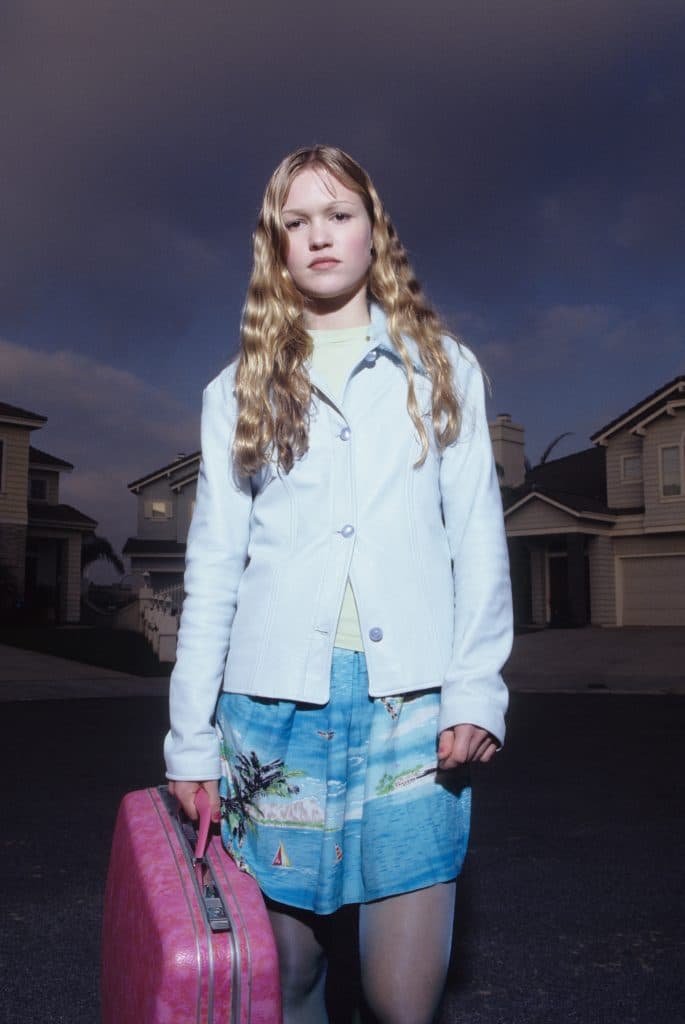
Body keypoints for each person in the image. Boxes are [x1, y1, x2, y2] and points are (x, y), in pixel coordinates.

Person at [165, 144, 512, 1024]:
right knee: (293, 980)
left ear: (373, 232)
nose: (319, 236)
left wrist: (476, 688)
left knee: (402, 1001)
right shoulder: (234, 389)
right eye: (296, 221)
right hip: (273, 715)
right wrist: (190, 741)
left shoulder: (446, 369)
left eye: (339, 214)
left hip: (413, 714)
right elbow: (211, 570)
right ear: (275, 246)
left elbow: (476, 540)